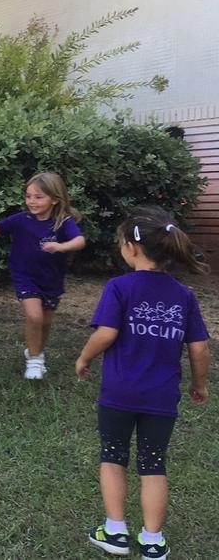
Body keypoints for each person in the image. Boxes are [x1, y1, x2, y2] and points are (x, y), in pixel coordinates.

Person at [76, 206, 210, 559]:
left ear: (131, 248)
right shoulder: (184, 295)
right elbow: (199, 348)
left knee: (113, 457)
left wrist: (84, 357)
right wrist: (201, 385)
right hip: (161, 398)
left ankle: (115, 532)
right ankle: (152, 540)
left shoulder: (120, 287)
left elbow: (107, 333)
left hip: (118, 394)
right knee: (153, 464)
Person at [0, 172, 86, 379]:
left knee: (45, 322)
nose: (32, 201)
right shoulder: (21, 219)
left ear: (55, 199)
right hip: (25, 276)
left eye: (38, 197)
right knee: (34, 316)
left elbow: (79, 241)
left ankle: (36, 352)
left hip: (51, 279)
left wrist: (61, 246)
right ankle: (34, 361)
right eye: (28, 196)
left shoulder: (63, 222)